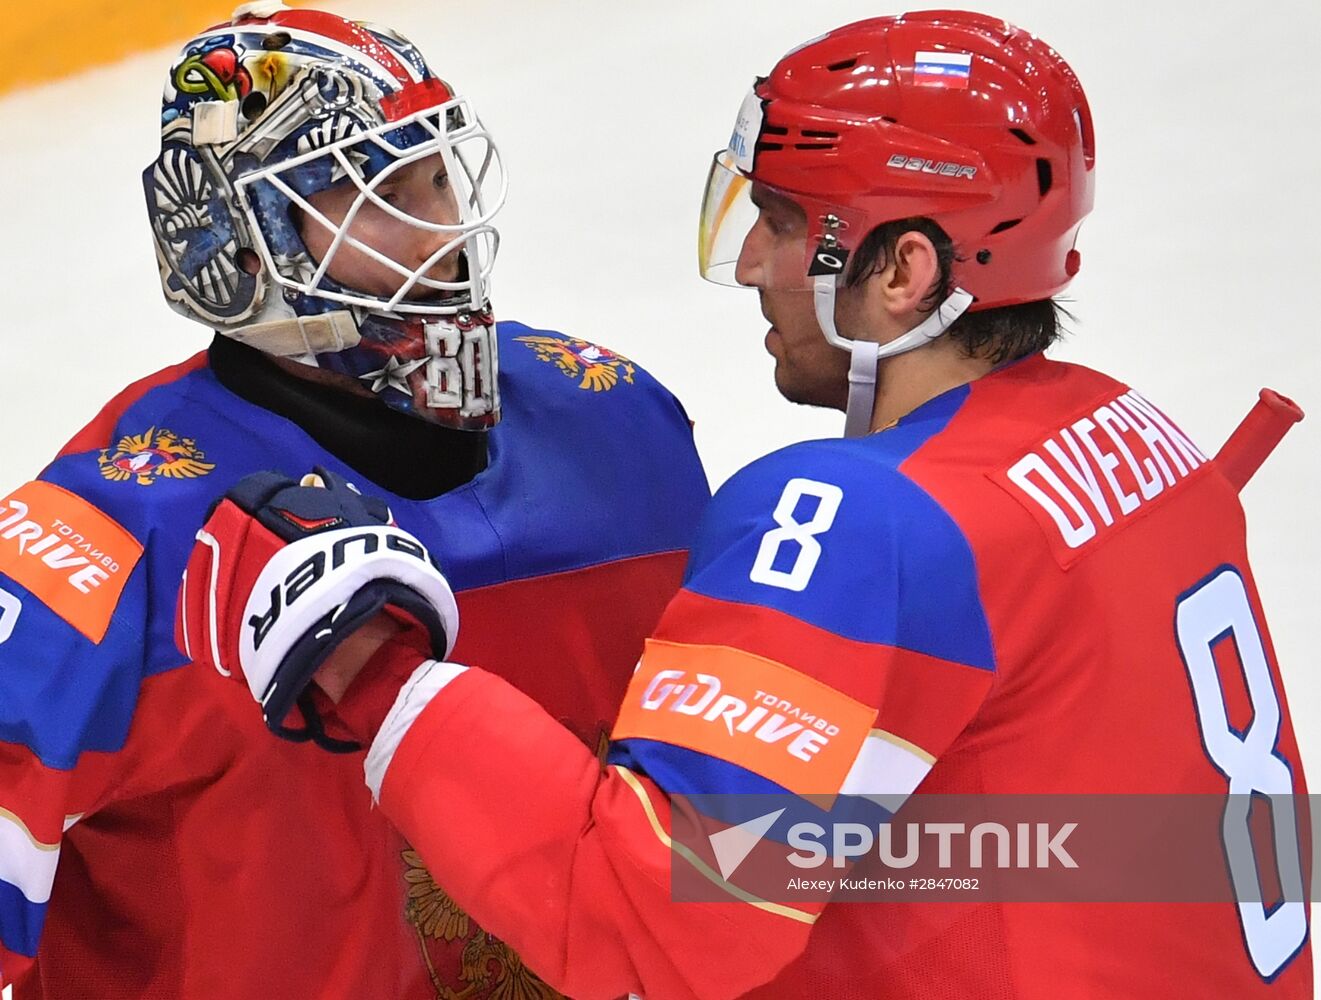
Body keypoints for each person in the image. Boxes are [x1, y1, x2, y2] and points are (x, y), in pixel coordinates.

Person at [187, 9, 1313, 1000]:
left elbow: (638, 920)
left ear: (902, 273)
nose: (754, 263)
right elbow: (1088, 842)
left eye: (783, 221)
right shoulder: (1132, 435)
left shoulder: (856, 517)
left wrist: (372, 670)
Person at [0, 3, 709, 997]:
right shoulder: (106, 539)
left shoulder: (622, 431)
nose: (446, 234)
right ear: (238, 247)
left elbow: (734, 845)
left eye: (435, 178)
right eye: (376, 196)